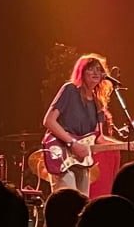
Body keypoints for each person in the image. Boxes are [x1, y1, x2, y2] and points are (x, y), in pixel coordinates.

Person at [43, 53, 123, 197]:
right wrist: (73, 143)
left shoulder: (98, 103)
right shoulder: (70, 90)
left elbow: (98, 137)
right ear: (81, 72)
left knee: (82, 206)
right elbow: (49, 121)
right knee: (68, 202)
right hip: (62, 154)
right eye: (91, 69)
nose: (96, 72)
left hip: (82, 161)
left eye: (99, 70)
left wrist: (127, 145)